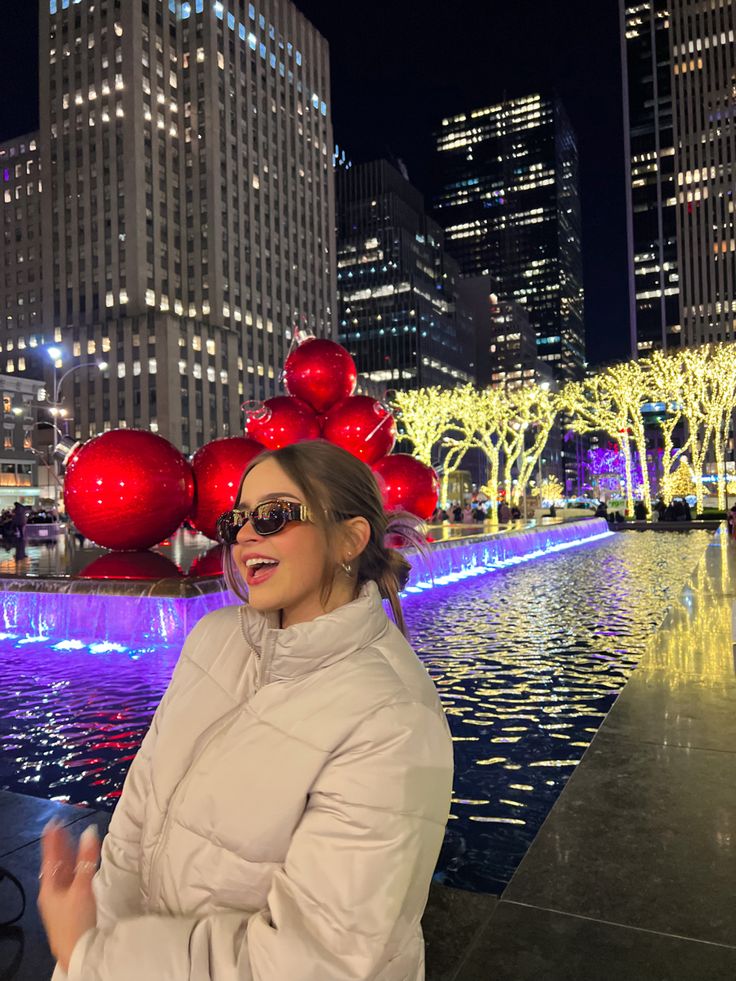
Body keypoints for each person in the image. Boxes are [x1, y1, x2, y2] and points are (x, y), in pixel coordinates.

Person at [39, 440, 454, 981]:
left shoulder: (393, 719)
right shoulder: (213, 639)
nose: (246, 536)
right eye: (237, 520)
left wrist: (94, 956)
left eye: (274, 515)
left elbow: (319, 961)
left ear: (350, 538)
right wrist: (88, 948)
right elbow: (137, 819)